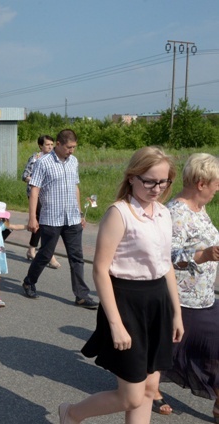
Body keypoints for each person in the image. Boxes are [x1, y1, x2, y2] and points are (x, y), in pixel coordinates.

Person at [59, 146, 184, 424]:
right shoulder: (120, 212)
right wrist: (115, 324)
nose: (157, 188)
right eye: (149, 180)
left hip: (158, 302)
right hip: (126, 303)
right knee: (131, 396)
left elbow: (166, 266)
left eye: (163, 182)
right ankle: (71, 413)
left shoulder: (164, 212)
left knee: (150, 389)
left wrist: (176, 312)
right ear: (132, 177)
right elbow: (101, 270)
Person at [155, 153, 219, 421]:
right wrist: (202, 255)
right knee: (167, 348)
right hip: (181, 300)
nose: (218, 188)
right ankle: (150, 390)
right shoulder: (176, 213)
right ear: (202, 183)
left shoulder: (200, 209)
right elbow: (165, 257)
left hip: (205, 297)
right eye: (216, 182)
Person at [22, 129, 98, 309]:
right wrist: (33, 218)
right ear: (58, 144)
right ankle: (29, 281)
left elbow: (75, 187)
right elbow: (35, 190)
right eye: (69, 147)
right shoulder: (43, 162)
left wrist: (79, 213)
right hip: (51, 218)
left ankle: (81, 295)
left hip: (72, 218)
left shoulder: (74, 162)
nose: (71, 151)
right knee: (45, 254)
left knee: (77, 257)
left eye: (74, 147)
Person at [22, 135, 60, 268]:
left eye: (51, 144)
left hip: (49, 195)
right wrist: (35, 181)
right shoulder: (35, 158)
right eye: (47, 144)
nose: (50, 147)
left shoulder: (55, 159)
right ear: (40, 146)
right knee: (45, 223)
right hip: (35, 194)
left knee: (40, 222)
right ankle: (50, 255)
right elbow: (24, 175)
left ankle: (31, 249)